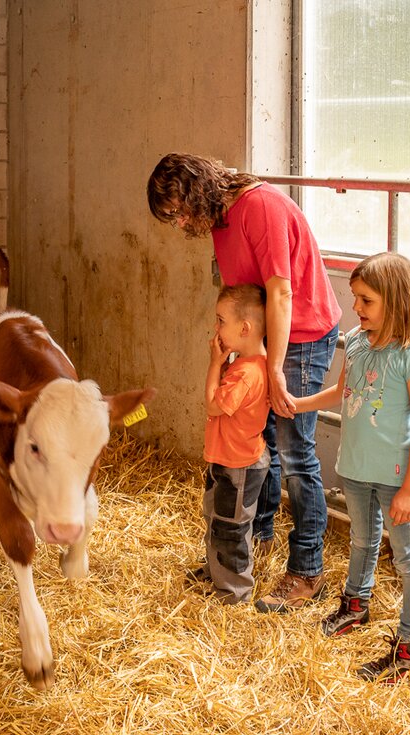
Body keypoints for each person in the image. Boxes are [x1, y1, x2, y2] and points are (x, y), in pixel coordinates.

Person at [148, 153, 342, 613]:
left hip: (303, 331)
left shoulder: (260, 207)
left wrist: (274, 367)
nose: (179, 224)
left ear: (196, 191)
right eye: (171, 217)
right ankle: (249, 547)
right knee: (260, 442)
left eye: (177, 211)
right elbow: (244, 297)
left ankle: (307, 569)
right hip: (266, 336)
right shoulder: (220, 219)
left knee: (295, 450)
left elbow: (281, 292)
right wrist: (237, 349)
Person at [293, 252, 410, 683]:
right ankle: (356, 605)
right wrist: (298, 404)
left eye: (366, 300)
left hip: (394, 478)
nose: (356, 307)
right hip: (354, 468)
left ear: (396, 301)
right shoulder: (354, 342)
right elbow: (341, 391)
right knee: (360, 540)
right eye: (356, 298)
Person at [191, 284, 271, 605]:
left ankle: (235, 593)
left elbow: (212, 405)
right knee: (216, 516)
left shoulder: (247, 374)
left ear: (245, 328)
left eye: (221, 320)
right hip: (229, 458)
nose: (216, 328)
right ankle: (217, 569)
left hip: (238, 465)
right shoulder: (245, 365)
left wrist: (214, 363)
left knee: (231, 527)